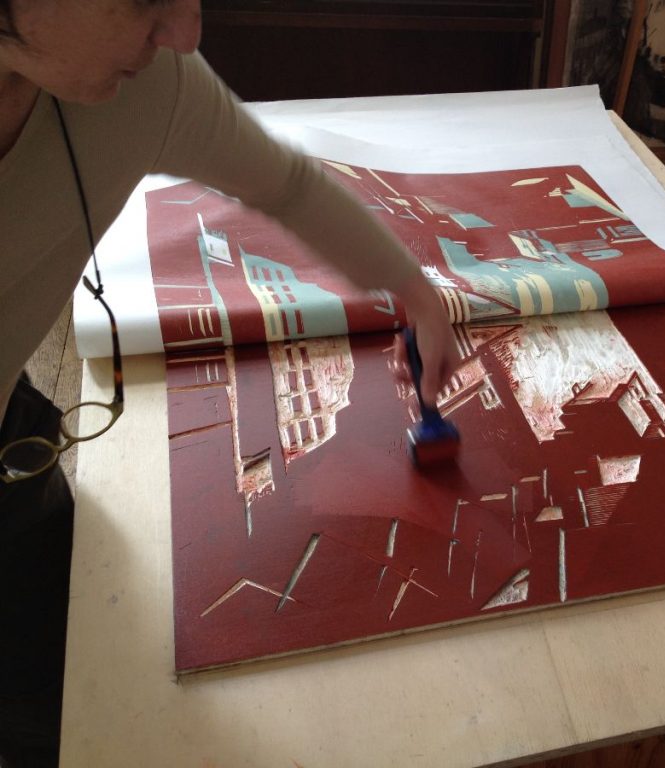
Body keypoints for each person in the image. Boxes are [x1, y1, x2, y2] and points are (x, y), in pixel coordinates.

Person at [0, 2, 460, 765]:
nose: (185, 35)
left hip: (14, 444)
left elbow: (287, 186)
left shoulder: (151, 88)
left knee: (80, 681)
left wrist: (414, 290)